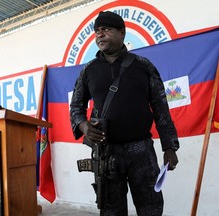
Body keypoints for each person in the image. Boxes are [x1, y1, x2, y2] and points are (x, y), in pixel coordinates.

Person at [70, 11, 179, 216]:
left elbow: (160, 108)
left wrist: (170, 146)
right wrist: (84, 126)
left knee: (151, 208)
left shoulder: (143, 66)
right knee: (111, 211)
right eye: (97, 31)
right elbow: (76, 107)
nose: (100, 35)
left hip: (141, 152)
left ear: (122, 33)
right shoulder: (88, 70)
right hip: (106, 154)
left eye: (106, 30)